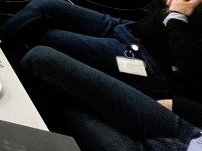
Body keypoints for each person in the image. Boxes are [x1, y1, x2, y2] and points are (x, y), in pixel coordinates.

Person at [0, 0, 202, 104]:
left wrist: (176, 15)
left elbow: (190, 61)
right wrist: (172, 2)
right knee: (44, 3)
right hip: (131, 28)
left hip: (147, 62)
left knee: (42, 36)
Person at [18, 46, 202, 151]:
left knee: (53, 100)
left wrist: (175, 19)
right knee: (40, 58)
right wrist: (180, 105)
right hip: (189, 130)